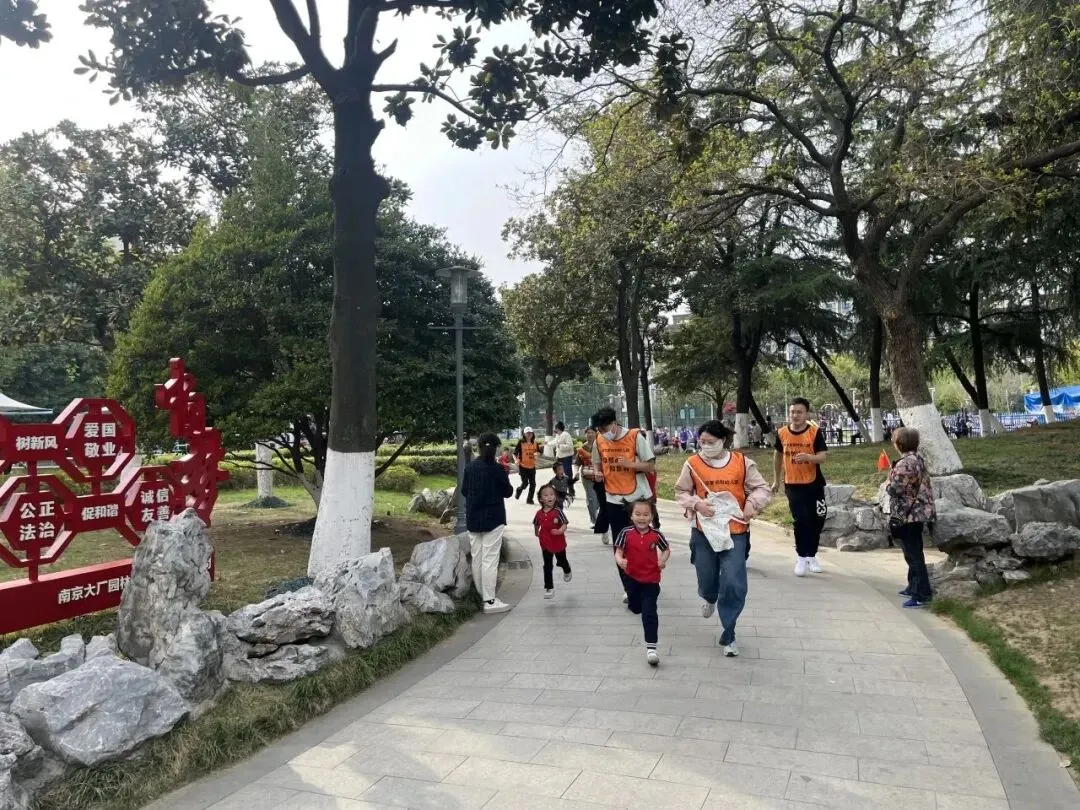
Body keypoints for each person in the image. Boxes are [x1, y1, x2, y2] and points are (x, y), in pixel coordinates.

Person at [675, 421, 772, 656]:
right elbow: (681, 491)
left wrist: (752, 503)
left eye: (711, 442)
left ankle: (729, 633)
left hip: (735, 530)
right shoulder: (692, 464)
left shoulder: (742, 463)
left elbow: (762, 488)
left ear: (723, 441)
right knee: (707, 578)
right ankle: (709, 597)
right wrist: (696, 504)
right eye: (702, 442)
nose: (706, 446)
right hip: (704, 531)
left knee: (734, 582)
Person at [592, 406, 656, 600]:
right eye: (599, 430)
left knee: (640, 544)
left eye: (604, 428)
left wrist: (630, 465)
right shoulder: (599, 440)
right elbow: (596, 461)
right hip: (613, 499)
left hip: (637, 500)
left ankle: (646, 580)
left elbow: (650, 465)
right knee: (620, 545)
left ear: (614, 423)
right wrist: (597, 472)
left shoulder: (635, 437)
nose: (603, 432)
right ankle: (629, 588)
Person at [773, 397, 829, 577]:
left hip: (814, 483)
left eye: (799, 412)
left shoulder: (814, 432)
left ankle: (812, 555)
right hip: (793, 484)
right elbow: (777, 456)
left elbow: (823, 456)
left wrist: (809, 458)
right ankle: (801, 557)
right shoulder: (782, 433)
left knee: (818, 519)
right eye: (792, 412)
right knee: (801, 520)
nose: (795, 415)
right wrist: (776, 480)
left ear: (807, 414)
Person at [461, 433, 514, 614]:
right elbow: (508, 492)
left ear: (479, 447)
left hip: (473, 519)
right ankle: (490, 601)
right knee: (490, 559)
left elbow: (464, 491)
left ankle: (481, 595)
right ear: (496, 448)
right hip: (494, 519)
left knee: (477, 558)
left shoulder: (470, 468)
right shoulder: (497, 469)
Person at [614, 499, 671, 666]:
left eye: (646, 514)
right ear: (631, 516)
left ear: (652, 516)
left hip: (651, 580)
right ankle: (633, 602)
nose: (641, 518)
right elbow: (618, 551)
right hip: (631, 578)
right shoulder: (625, 533)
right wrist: (620, 561)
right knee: (635, 608)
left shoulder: (656, 534)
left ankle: (651, 648)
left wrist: (662, 560)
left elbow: (666, 549)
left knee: (649, 612)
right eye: (637, 514)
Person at [886, 427, 936, 608]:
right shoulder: (917, 459)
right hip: (917, 512)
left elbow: (896, 489)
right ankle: (912, 585)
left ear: (900, 444)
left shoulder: (905, 464)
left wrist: (888, 483)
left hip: (909, 514)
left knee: (913, 554)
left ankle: (921, 594)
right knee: (912, 552)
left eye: (894, 440)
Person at [533, 483, 572, 599]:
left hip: (558, 542)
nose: (549, 497)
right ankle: (549, 588)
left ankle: (567, 569)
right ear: (541, 499)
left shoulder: (558, 511)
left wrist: (560, 530)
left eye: (551, 494)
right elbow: (536, 523)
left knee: (562, 560)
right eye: (546, 495)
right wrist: (536, 531)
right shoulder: (539, 513)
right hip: (545, 543)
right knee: (547, 565)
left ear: (555, 497)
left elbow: (565, 523)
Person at [576, 427, 602, 528]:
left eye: (592, 433)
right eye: (588, 433)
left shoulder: (601, 446)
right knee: (591, 498)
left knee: (599, 498)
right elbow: (577, 463)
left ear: (596, 434)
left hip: (600, 476)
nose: (590, 435)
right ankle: (594, 521)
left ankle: (599, 514)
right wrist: (576, 472)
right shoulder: (582, 448)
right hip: (587, 477)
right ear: (585, 435)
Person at [547, 422, 576, 497]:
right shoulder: (558, 435)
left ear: (558, 428)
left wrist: (560, 446)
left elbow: (570, 446)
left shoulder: (566, 435)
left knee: (568, 474)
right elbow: (555, 442)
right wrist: (548, 443)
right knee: (559, 474)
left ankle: (571, 491)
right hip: (559, 457)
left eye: (555, 428)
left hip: (566, 457)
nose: (554, 429)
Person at [513, 427, 539, 504]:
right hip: (523, 466)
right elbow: (514, 453)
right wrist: (516, 460)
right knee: (525, 483)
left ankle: (529, 499)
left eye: (530, 433)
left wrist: (537, 455)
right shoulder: (521, 442)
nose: (529, 434)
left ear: (532, 434)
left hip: (532, 466)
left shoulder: (535, 443)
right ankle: (519, 490)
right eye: (527, 433)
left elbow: (538, 452)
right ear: (524, 434)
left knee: (533, 484)